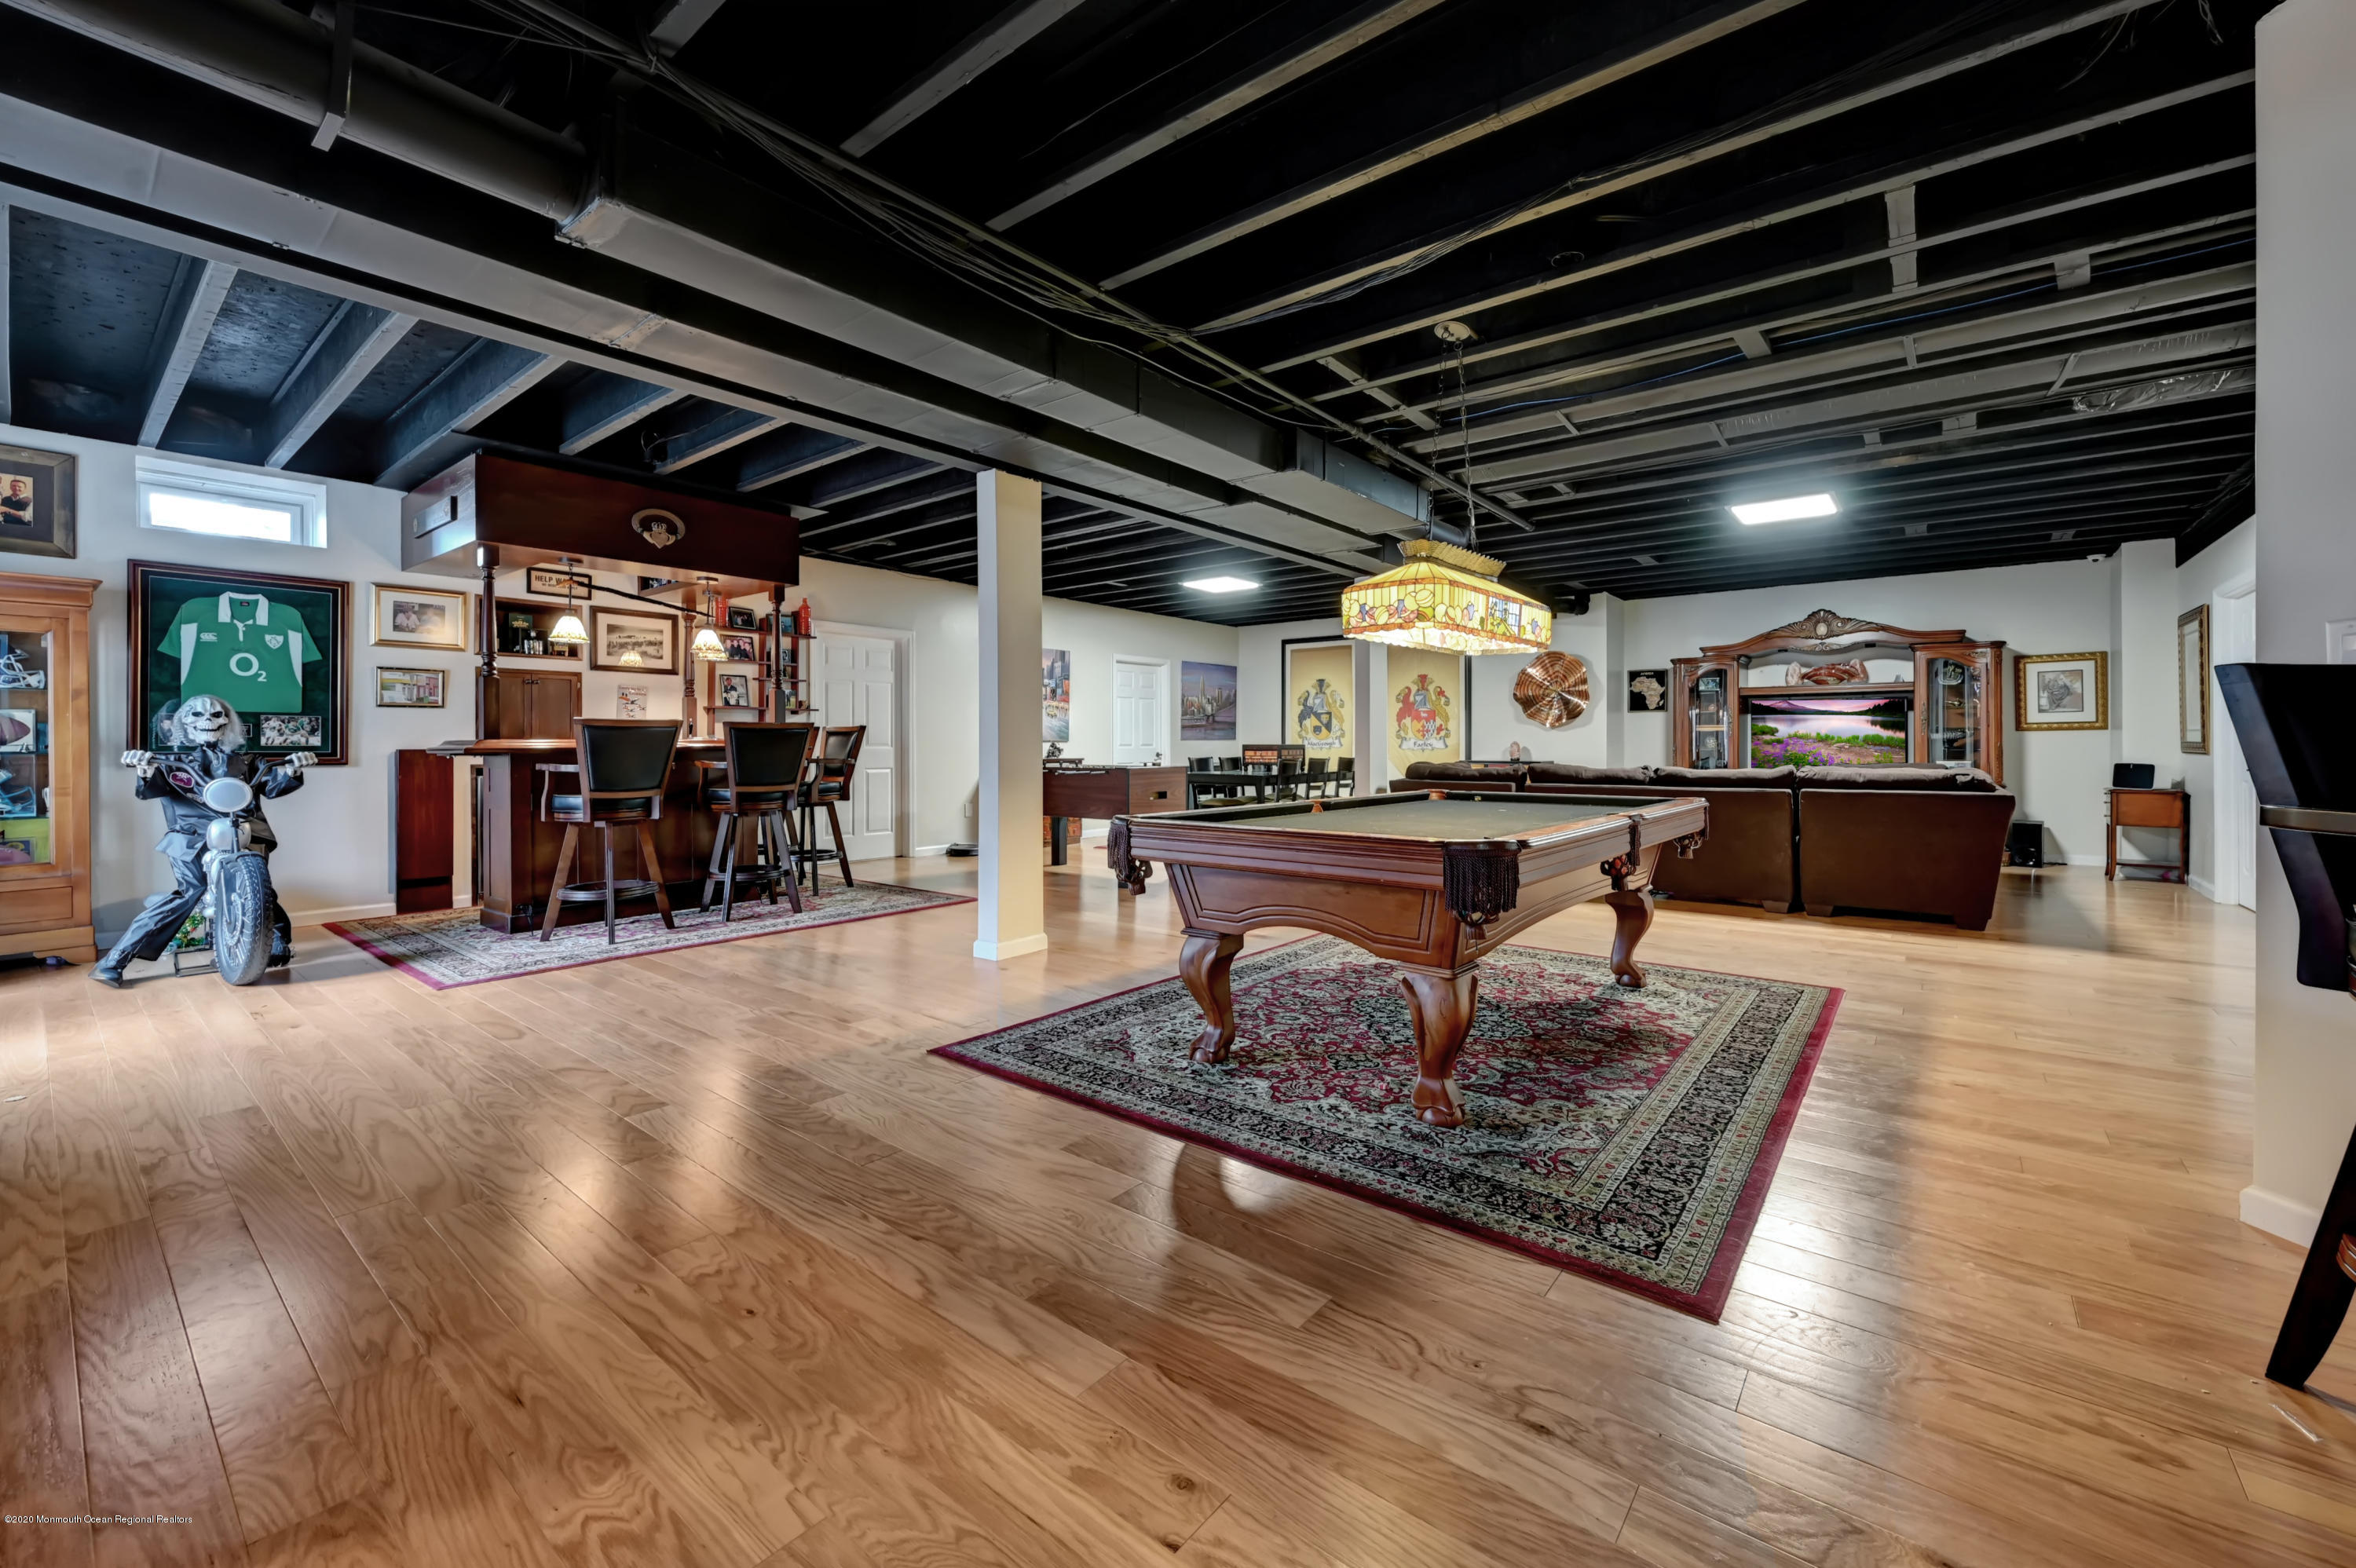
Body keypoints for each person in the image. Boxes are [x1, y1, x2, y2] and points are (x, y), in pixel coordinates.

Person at [92, 695, 313, 987]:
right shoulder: (171, 761)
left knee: (260, 890)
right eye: (197, 715)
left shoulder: (248, 760)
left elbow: (272, 787)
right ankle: (115, 959)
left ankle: (276, 943)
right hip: (191, 838)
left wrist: (293, 769)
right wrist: (144, 769)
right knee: (189, 893)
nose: (209, 721)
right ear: (183, 722)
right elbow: (150, 789)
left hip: (244, 830)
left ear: (229, 721)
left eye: (217, 715)